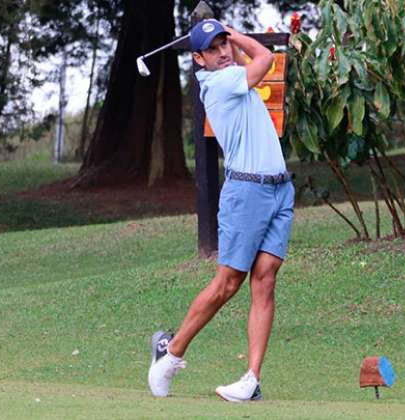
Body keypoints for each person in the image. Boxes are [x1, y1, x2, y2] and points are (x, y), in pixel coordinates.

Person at [147, 19, 294, 402]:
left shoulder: (233, 77)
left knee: (265, 279)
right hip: (246, 193)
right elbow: (265, 57)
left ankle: (251, 380)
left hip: (279, 189)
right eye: (213, 48)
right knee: (228, 283)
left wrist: (230, 38)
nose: (223, 51)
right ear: (198, 59)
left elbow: (250, 62)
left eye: (224, 44)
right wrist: (233, 30)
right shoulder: (215, 84)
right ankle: (171, 353)